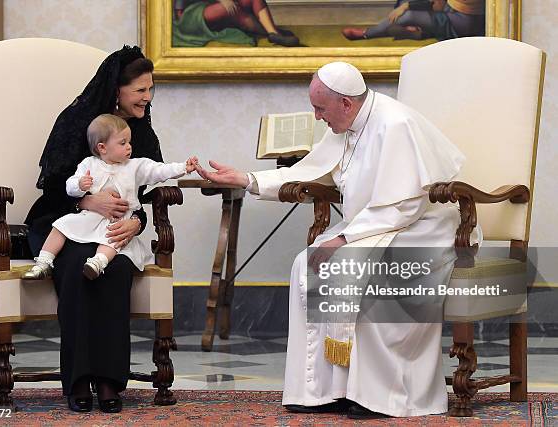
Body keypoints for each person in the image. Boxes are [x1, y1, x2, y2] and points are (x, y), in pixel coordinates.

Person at [196, 61, 479, 418]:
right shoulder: (349, 124)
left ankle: (382, 394)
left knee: (363, 269)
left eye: (320, 108)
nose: (317, 117)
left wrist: (344, 237)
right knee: (308, 262)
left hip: (423, 228)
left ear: (346, 103)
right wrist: (246, 178)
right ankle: (324, 390)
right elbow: (311, 169)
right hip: (377, 225)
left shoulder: (396, 125)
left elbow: (405, 205)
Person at [25, 46, 165, 413]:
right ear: (117, 89)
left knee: (114, 269)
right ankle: (78, 379)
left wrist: (136, 224)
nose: (148, 98)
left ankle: (108, 380)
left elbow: (144, 197)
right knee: (75, 267)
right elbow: (53, 188)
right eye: (141, 90)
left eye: (151, 89)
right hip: (64, 224)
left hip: (116, 231)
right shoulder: (76, 122)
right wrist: (87, 202)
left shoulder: (140, 133)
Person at [23, 114, 197, 281]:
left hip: (117, 220)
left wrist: (183, 167)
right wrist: (80, 185)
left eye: (129, 142)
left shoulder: (135, 166)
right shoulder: (89, 164)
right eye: (123, 143)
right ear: (102, 147)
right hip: (91, 216)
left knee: (114, 240)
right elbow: (70, 186)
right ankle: (44, 262)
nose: (129, 146)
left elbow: (159, 171)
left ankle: (98, 262)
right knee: (61, 225)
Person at [173, 0, 299, 47]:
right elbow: (180, 10)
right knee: (233, 9)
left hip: (209, 6)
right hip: (189, 16)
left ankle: (272, 32)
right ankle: (270, 33)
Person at [342, 0, 484, 42]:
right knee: (406, 8)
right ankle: (418, 31)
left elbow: (437, 6)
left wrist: (407, 6)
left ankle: (366, 34)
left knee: (409, 15)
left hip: (463, 22)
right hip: (447, 12)